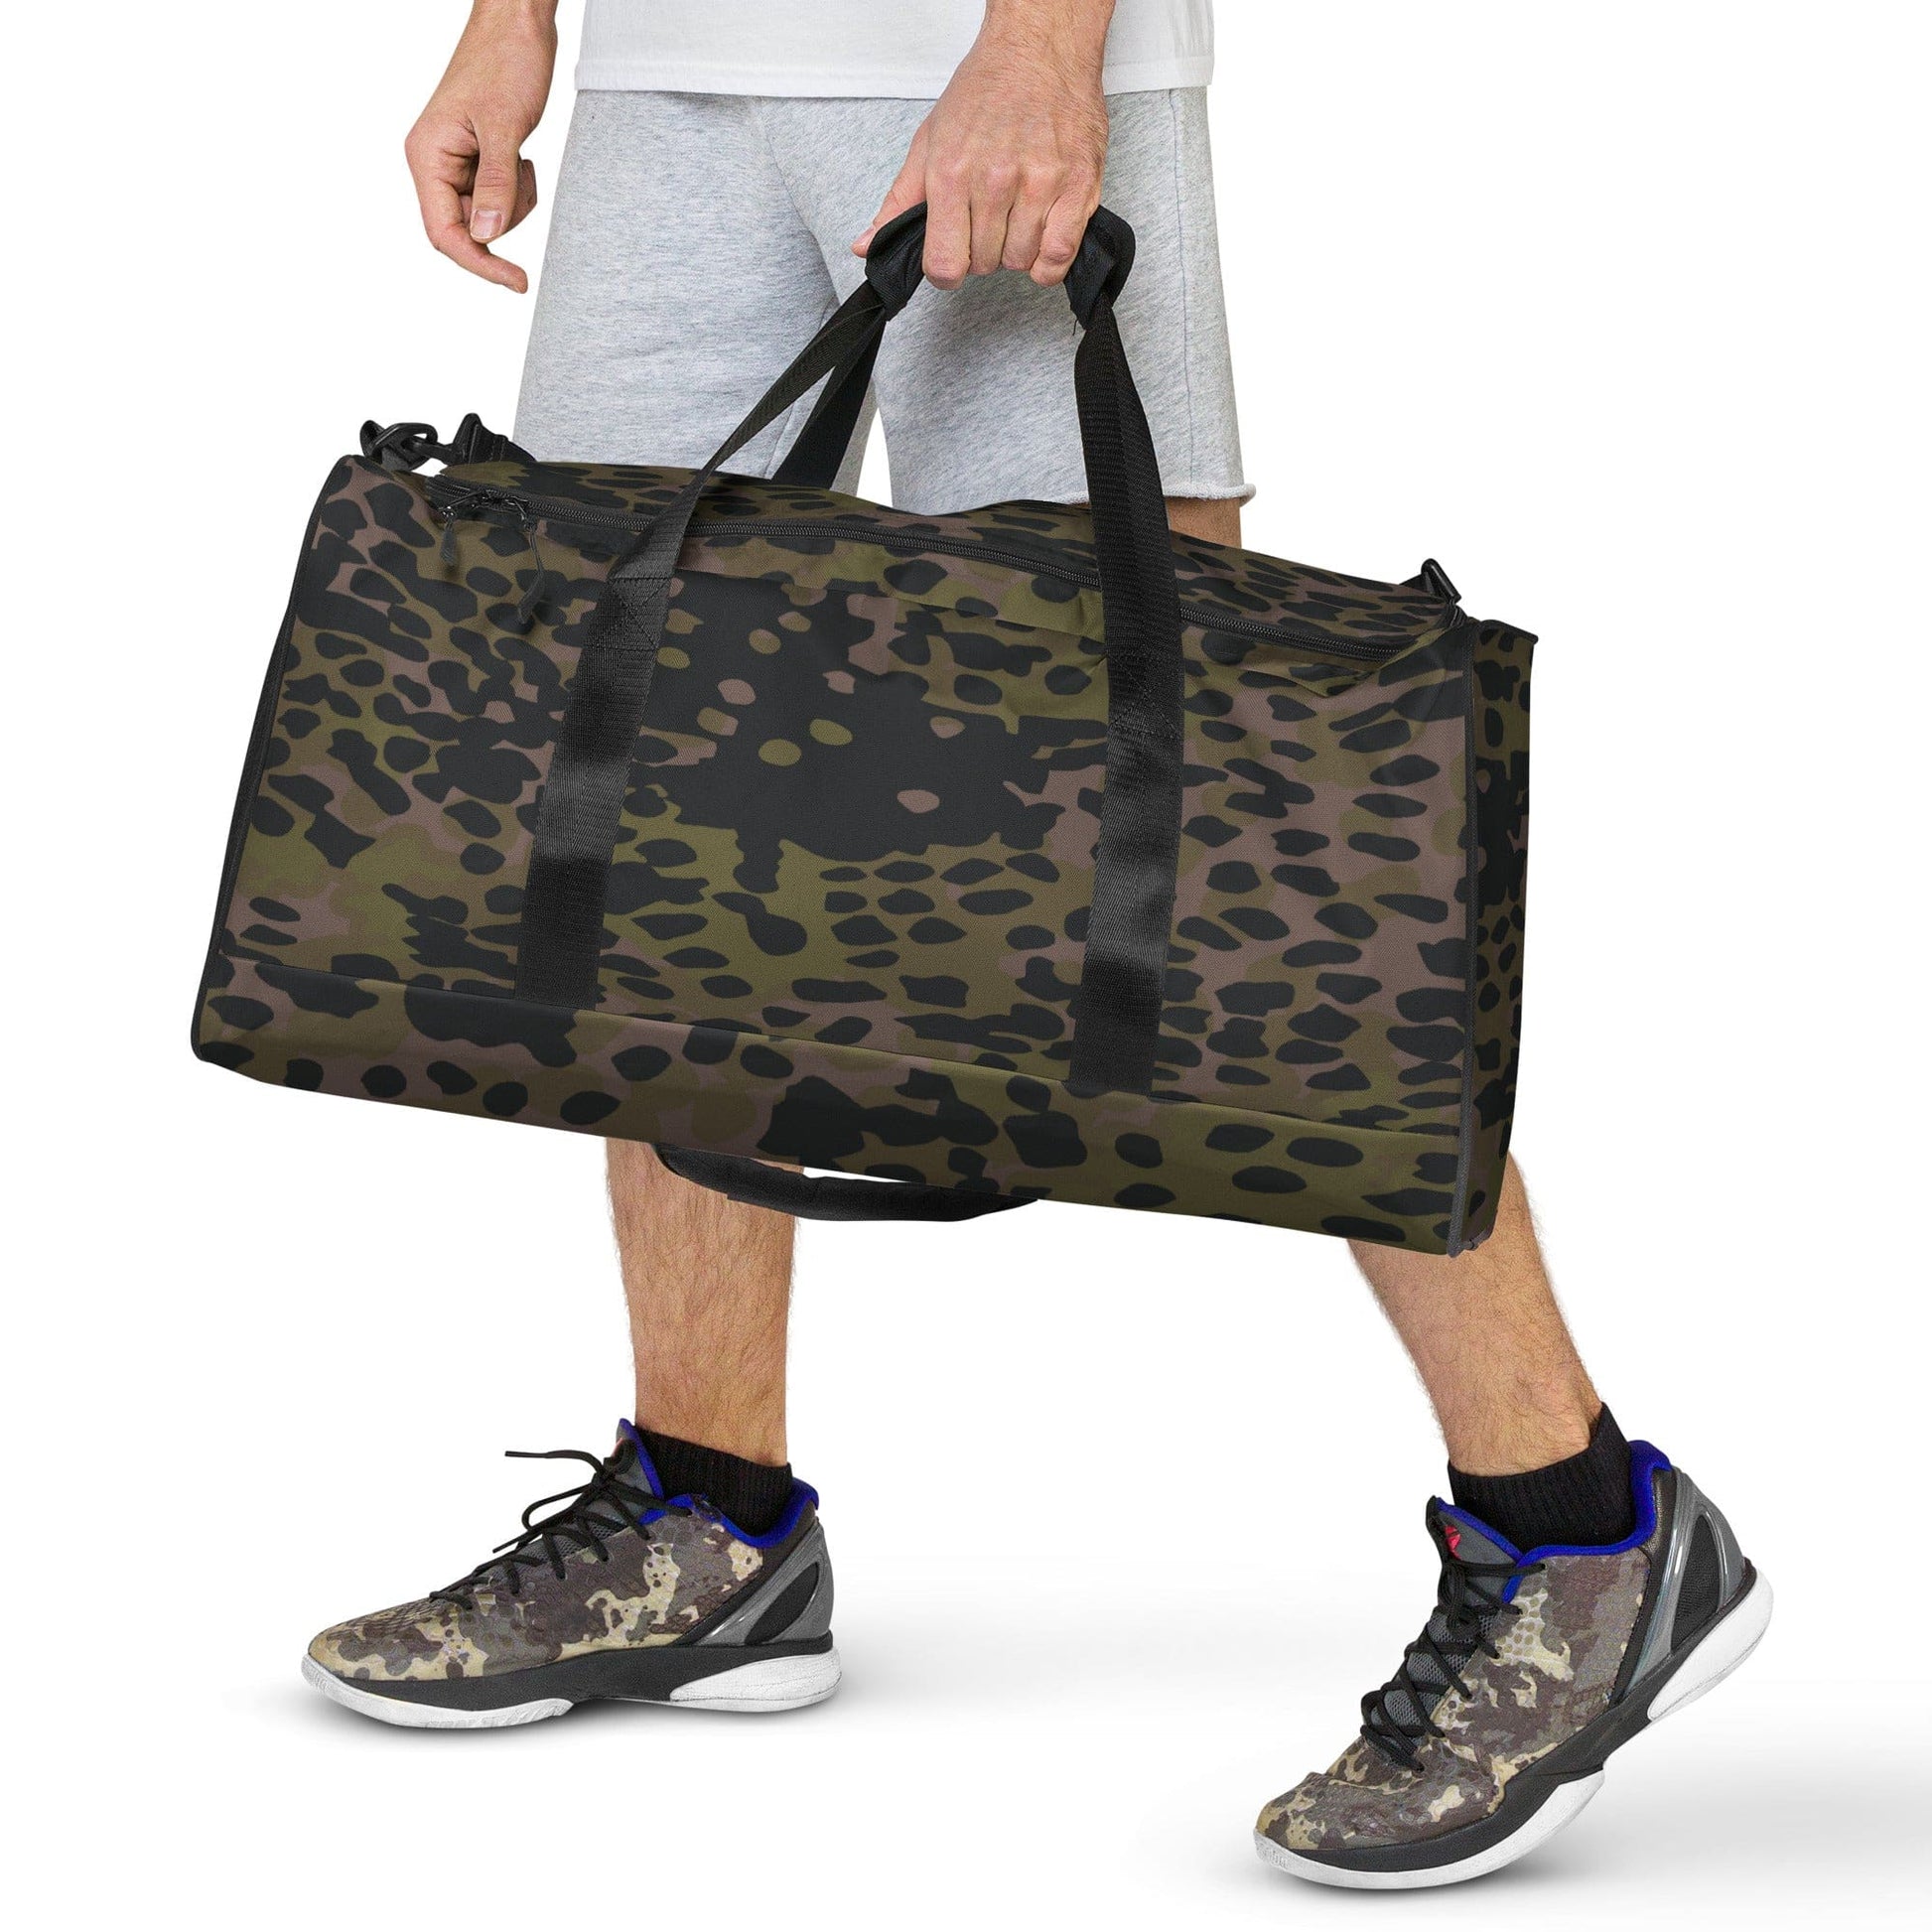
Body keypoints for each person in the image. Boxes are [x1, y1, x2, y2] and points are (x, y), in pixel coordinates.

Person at [301, 0, 1770, 1889]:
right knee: (654, 803)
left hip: (985, 65)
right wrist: (513, 20)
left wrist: (1042, 46)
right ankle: (707, 1519)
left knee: (1234, 838)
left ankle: (1581, 1528)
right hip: (669, 78)